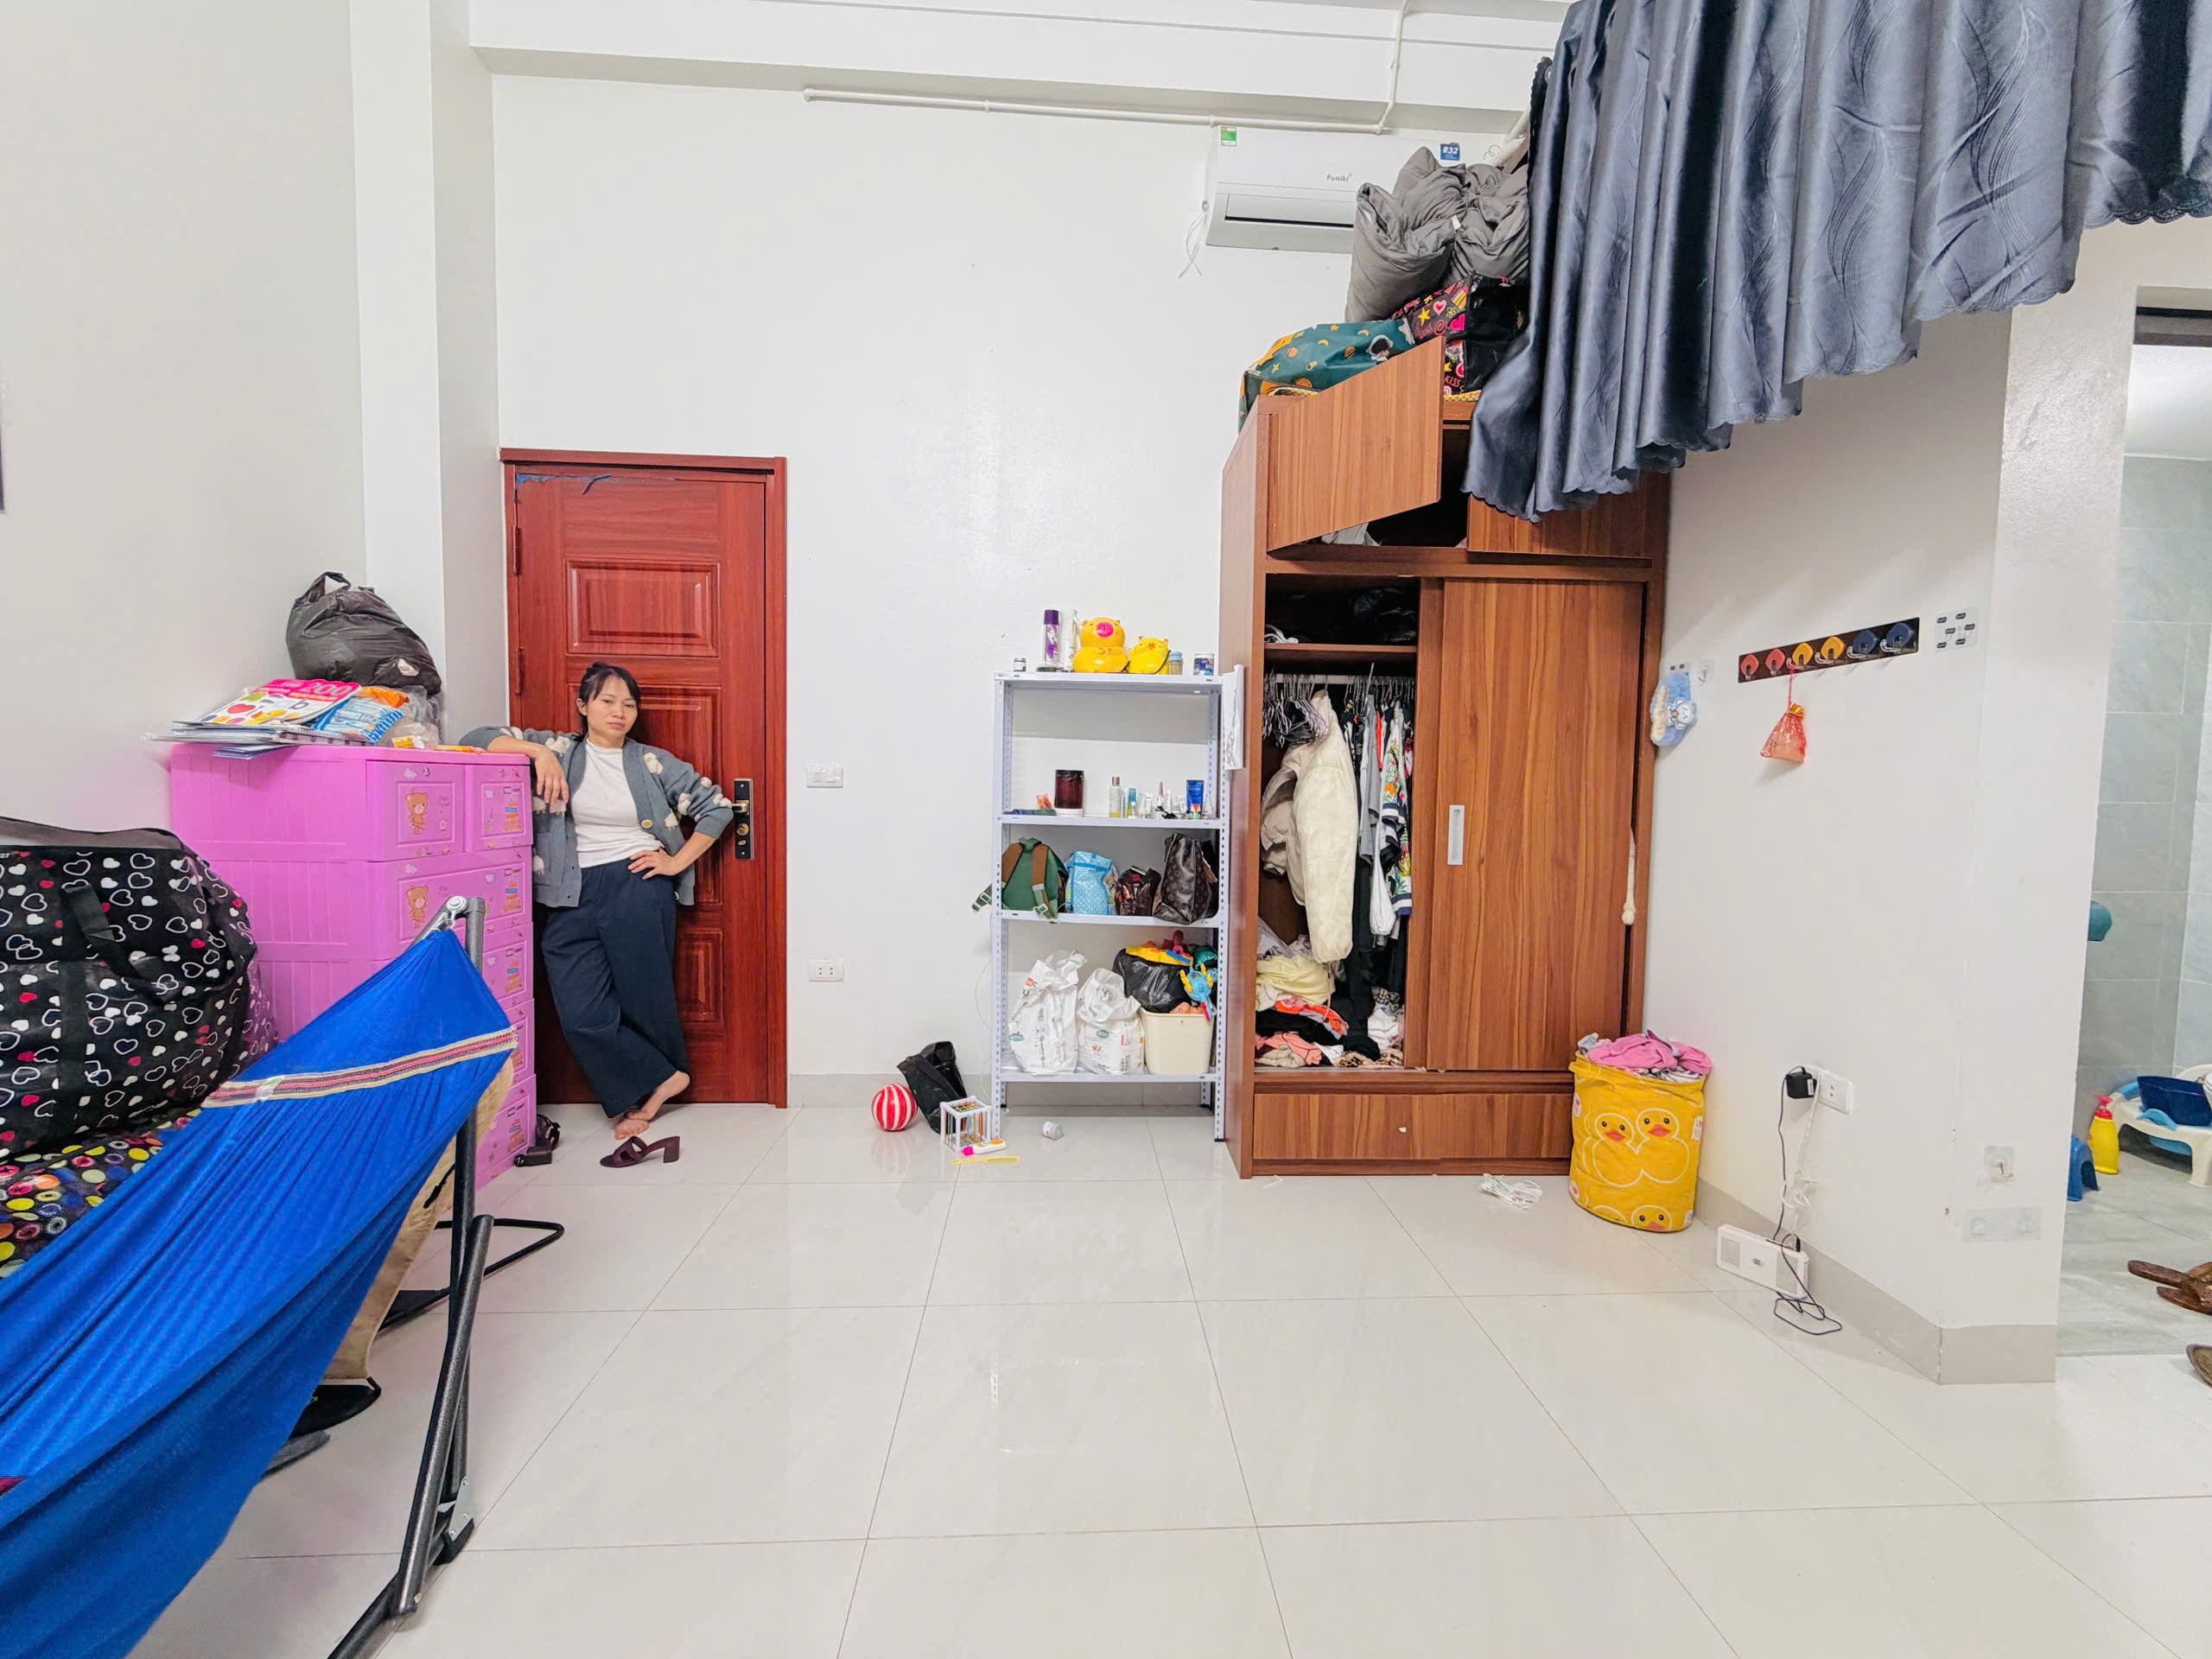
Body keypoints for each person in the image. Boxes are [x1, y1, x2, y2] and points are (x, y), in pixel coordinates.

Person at [464, 664, 732, 1147]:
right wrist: (536, 753)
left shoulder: (652, 762)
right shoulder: (558, 750)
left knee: (644, 996)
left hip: (637, 885)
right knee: (581, 1011)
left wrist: (676, 863)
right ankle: (664, 1075)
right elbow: (475, 739)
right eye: (607, 701)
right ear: (583, 706)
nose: (619, 712)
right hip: (569, 891)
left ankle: (643, 1097)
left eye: (629, 704)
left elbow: (717, 808)